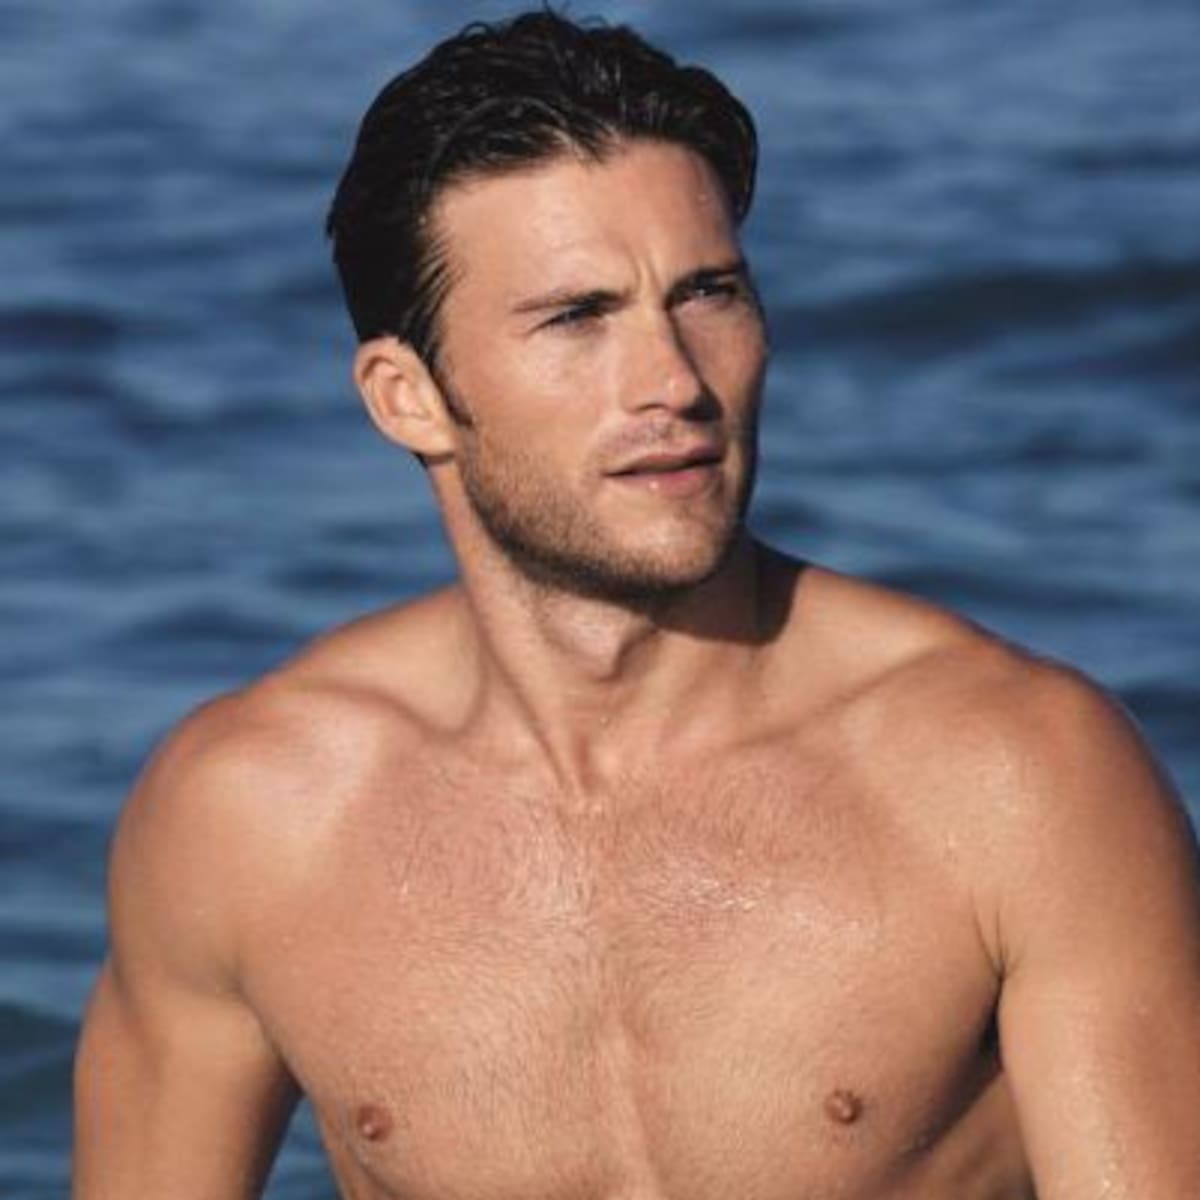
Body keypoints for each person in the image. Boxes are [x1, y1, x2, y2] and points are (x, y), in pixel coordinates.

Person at [72, 11, 1200, 1199]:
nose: (673, 381)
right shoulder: (248, 819)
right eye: (578, 317)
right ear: (408, 399)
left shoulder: (1013, 777)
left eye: (708, 294)